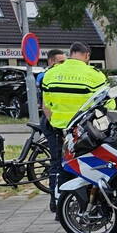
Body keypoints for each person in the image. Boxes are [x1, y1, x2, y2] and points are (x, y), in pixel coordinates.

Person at [39, 42, 107, 212]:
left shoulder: (51, 74)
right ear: (87, 56)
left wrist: (58, 126)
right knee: (86, 166)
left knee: (59, 166)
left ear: (70, 54)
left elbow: (46, 106)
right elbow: (107, 104)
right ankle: (85, 206)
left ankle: (58, 206)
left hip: (58, 129)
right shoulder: (95, 75)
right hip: (84, 131)